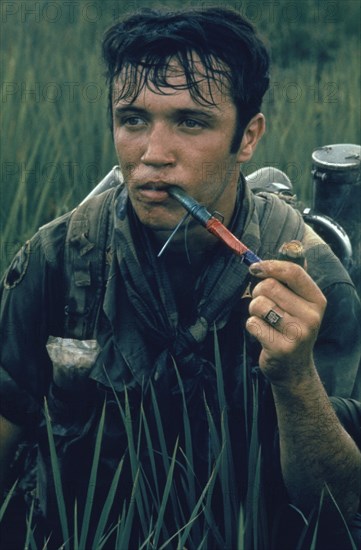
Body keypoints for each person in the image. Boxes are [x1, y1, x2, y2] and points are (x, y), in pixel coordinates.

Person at [0, 7, 360, 549]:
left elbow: (340, 508)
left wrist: (296, 379)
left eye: (191, 122)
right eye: (133, 119)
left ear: (247, 137)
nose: (152, 154)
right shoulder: (57, 261)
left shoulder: (313, 282)